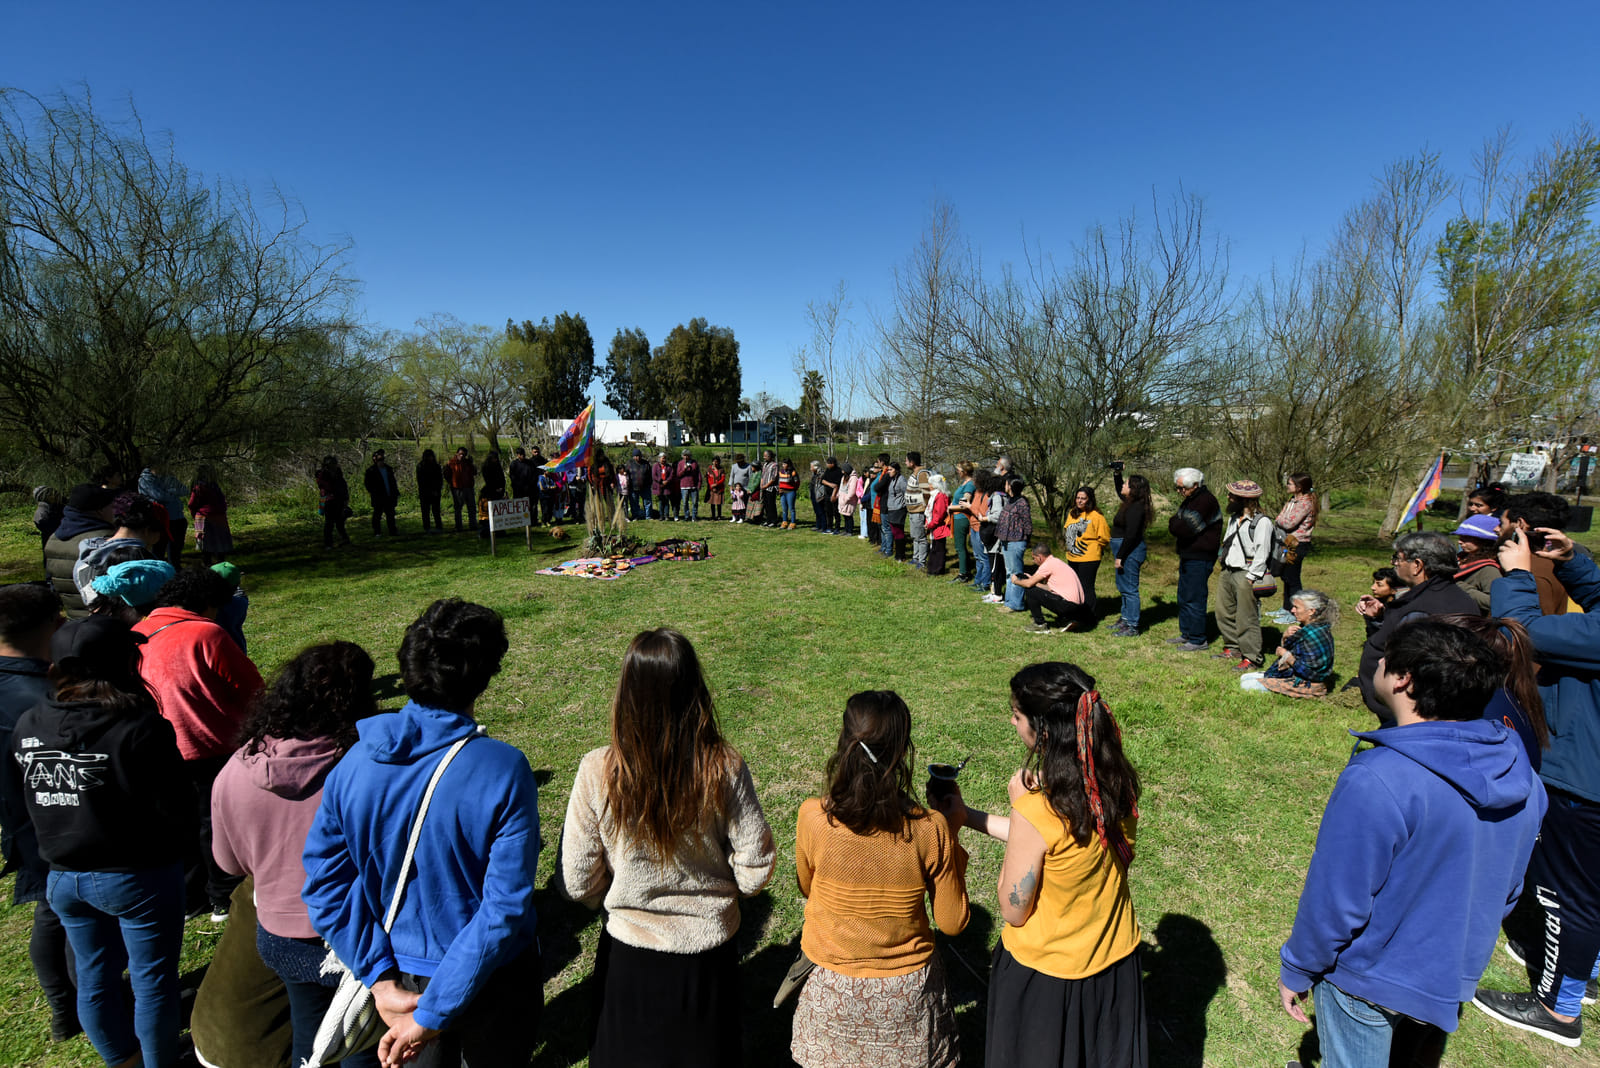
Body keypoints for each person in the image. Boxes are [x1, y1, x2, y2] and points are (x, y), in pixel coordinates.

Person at [1280, 619, 1546, 1064]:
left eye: (1384, 658)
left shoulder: (1378, 778)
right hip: (1449, 974)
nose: (1377, 663)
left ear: (1402, 679)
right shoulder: (1524, 777)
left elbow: (1336, 899)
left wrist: (1299, 966)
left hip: (1366, 980)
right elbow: (1509, 887)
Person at [303, 599, 543, 1067]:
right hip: (491, 978)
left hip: (400, 977)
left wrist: (380, 981)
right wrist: (433, 1012)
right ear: (486, 675)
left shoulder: (352, 762)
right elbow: (503, 908)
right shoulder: (504, 769)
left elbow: (325, 885)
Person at [560, 629, 775, 1067]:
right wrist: (719, 890)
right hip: (708, 957)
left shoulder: (597, 769)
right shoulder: (723, 765)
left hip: (628, 959)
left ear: (626, 692)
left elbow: (578, 880)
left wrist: (616, 895)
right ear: (695, 690)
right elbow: (756, 868)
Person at [946, 662, 1146, 1068]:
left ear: (1043, 730)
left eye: (1017, 715)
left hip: (1047, 979)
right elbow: (1060, 849)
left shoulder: (1038, 811)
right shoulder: (1112, 783)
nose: (1012, 721)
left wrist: (1022, 807)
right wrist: (968, 817)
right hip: (1115, 964)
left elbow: (1013, 909)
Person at [16, 616, 193, 1068]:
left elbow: (22, 798)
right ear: (126, 664)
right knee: (153, 982)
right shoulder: (139, 726)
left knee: (95, 978)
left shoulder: (29, 723)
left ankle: (122, 1061)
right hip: (136, 876)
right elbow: (176, 805)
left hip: (64, 877)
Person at [210, 642, 380, 1068]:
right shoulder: (365, 768)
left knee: (311, 1033)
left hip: (279, 934)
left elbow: (230, 864)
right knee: (361, 1036)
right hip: (354, 931)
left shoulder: (235, 770)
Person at [1471, 527, 1600, 1047]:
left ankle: (1558, 1010)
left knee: (1569, 896)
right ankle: (1583, 972)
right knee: (1592, 890)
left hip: (1586, 786)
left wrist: (1519, 575)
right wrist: (1574, 564)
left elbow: (1524, 632)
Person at [790, 690, 967, 1067]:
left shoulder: (812, 817)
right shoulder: (930, 828)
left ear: (844, 744)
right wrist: (950, 834)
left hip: (831, 992)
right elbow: (952, 922)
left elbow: (808, 887)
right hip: (907, 1001)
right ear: (901, 753)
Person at [134, 567, 264, 921]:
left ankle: (189, 897)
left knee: (178, 822)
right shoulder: (207, 633)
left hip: (154, 746)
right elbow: (251, 689)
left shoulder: (135, 634)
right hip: (210, 745)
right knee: (216, 822)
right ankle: (222, 895)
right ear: (207, 603)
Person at [0, 583, 77, 1042]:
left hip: (21, 820)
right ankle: (88, 1000)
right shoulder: (42, 697)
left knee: (50, 914)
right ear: (55, 624)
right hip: (56, 818)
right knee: (73, 919)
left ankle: (62, 1009)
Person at [1357, 532, 1478, 726]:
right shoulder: (1458, 596)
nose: (1394, 564)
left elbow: (1410, 658)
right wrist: (1379, 619)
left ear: (1417, 565)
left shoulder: (1423, 609)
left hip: (1414, 711)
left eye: (1398, 559)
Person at [1213, 480, 1274, 672]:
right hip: (1228, 571)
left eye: (1232, 495)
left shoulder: (1262, 522)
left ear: (1244, 499)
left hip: (1246, 573)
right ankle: (1233, 648)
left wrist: (1251, 577)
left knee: (1246, 617)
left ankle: (1252, 657)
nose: (1228, 497)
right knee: (1223, 612)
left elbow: (1262, 552)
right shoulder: (1234, 518)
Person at [1240, 589, 1338, 698]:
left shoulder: (1314, 635)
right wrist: (1285, 637)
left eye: (1296, 607)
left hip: (1309, 683)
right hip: (1296, 675)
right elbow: (1293, 652)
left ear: (1311, 611)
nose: (1292, 610)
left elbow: (1310, 673)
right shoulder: (1309, 628)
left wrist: (1286, 655)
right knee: (1244, 677)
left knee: (1247, 685)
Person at [1166, 468, 1221, 652]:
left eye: (1183, 488)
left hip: (1200, 556)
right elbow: (1174, 522)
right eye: (1178, 487)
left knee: (1195, 598)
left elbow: (1184, 528)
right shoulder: (1191, 500)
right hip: (1188, 554)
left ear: (1195, 485)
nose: (1180, 491)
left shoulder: (1206, 501)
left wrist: (1177, 522)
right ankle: (1187, 633)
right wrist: (1177, 522)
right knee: (1183, 596)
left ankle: (1198, 639)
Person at [45, 484, 117, 619]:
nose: (114, 511)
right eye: (111, 506)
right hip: (104, 619)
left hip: (74, 619)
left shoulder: (54, 539)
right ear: (100, 510)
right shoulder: (105, 540)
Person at [1499, 492, 1575, 615]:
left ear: (1520, 524)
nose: (1496, 529)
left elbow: (1537, 623)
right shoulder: (1554, 564)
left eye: (1502, 523)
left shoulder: (1533, 575)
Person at [1265, 473, 1318, 626]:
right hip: (1287, 543)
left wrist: (1279, 520)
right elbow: (1281, 518)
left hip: (1297, 544)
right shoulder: (1293, 500)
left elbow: (1288, 523)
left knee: (1293, 579)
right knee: (1286, 577)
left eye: (1290, 483)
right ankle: (1286, 608)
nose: (1287, 486)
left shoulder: (1305, 503)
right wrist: (1280, 520)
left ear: (1299, 487)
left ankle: (1296, 613)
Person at [1108, 470, 1151, 637]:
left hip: (1130, 551)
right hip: (1124, 548)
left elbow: (1131, 535)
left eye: (1126, 484)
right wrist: (1117, 474)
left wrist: (1121, 556)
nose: (1123, 486)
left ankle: (1132, 625)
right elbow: (1119, 489)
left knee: (1130, 588)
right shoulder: (1130, 503)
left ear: (1133, 489)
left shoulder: (1136, 508)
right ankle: (1125, 619)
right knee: (1123, 586)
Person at [1012, 544, 1093, 634]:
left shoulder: (1047, 565)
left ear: (1039, 557)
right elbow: (1049, 589)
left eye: (1033, 558)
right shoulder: (1057, 562)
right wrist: (1034, 581)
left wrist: (1015, 581)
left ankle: (1039, 624)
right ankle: (1069, 619)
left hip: (1067, 605)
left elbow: (1028, 584)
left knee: (1030, 590)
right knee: (1036, 590)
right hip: (1078, 607)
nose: (1033, 561)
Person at [1062, 486, 1110, 609]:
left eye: (1083, 498)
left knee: (1086, 587)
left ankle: (1090, 614)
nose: (1079, 501)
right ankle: (1076, 611)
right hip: (1072, 556)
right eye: (1078, 498)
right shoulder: (1072, 513)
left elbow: (1104, 537)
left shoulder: (1097, 516)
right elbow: (1067, 530)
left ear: (1089, 500)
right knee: (1074, 586)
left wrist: (1094, 548)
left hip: (1089, 558)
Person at [138, 459, 187, 568]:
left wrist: (170, 491)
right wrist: (173, 493)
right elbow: (159, 496)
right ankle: (157, 571)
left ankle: (175, 570)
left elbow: (184, 490)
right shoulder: (145, 479)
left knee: (176, 550)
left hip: (177, 517)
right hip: (159, 518)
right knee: (158, 549)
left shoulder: (169, 477)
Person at [1452, 513, 1503, 611]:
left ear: (1484, 541)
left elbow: (1493, 602)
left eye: (1467, 538)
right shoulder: (1461, 557)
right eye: (1460, 537)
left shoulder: (1489, 570)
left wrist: (1460, 586)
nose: (1460, 541)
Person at [997, 477, 1034, 609]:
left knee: (1016, 572)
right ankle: (1009, 601)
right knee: (1009, 572)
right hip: (1006, 541)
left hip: (1016, 541)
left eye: (1007, 483)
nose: (1005, 485)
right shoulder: (1010, 500)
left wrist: (1027, 540)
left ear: (1011, 486)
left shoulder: (1022, 502)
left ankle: (1016, 604)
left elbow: (1027, 523)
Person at [189, 467, 232, 565]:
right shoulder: (212, 487)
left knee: (206, 545)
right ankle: (220, 565)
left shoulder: (199, 488)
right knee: (218, 544)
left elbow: (191, 504)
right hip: (213, 517)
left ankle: (210, 565)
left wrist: (195, 515)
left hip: (206, 517)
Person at [947, 462, 977, 583]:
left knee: (960, 546)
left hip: (961, 518)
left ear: (964, 472)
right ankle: (965, 569)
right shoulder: (965, 483)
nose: (957, 472)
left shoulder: (969, 485)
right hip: (957, 517)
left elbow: (964, 504)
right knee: (960, 546)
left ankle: (963, 573)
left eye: (958, 470)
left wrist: (950, 508)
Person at [317, 456, 353, 548]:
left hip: (340, 501)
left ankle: (345, 539)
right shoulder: (323, 475)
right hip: (329, 501)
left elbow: (343, 487)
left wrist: (345, 499)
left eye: (334, 463)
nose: (333, 466)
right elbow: (324, 487)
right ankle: (328, 544)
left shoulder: (338, 474)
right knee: (329, 523)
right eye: (331, 464)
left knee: (340, 522)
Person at [364, 449, 401, 536]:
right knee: (377, 515)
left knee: (390, 515)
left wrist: (395, 493)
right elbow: (368, 484)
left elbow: (393, 482)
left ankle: (392, 531)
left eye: (382, 458)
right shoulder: (371, 471)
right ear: (375, 459)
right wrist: (374, 492)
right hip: (378, 497)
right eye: (379, 459)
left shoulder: (388, 469)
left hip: (389, 496)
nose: (381, 461)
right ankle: (377, 532)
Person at [904, 452, 932, 568]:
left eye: (906, 460)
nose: (905, 463)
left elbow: (926, 493)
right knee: (915, 536)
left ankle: (922, 560)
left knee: (920, 537)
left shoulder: (922, 474)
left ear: (912, 462)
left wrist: (926, 509)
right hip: (912, 511)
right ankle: (915, 558)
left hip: (919, 511)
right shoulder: (914, 474)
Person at [925, 473, 952, 575]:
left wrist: (930, 524)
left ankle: (937, 569)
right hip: (935, 526)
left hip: (939, 527)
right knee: (934, 548)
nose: (929, 486)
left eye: (930, 484)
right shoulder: (935, 495)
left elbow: (939, 514)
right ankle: (932, 568)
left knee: (938, 549)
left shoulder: (940, 496)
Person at [444, 447, 476, 532]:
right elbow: (446, 474)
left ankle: (473, 525)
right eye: (460, 454)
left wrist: (471, 463)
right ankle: (459, 526)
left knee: (472, 507)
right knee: (458, 508)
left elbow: (474, 472)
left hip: (469, 487)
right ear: (457, 453)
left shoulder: (468, 463)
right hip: (457, 488)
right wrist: (452, 483)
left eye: (464, 454)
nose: (462, 456)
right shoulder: (451, 463)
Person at [415, 449, 444, 533]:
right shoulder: (420, 466)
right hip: (425, 492)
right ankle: (427, 527)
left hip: (435, 491)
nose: (430, 458)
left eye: (431, 456)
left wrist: (437, 490)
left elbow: (440, 479)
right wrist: (429, 490)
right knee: (425, 511)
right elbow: (421, 481)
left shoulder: (436, 466)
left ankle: (439, 526)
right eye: (428, 456)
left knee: (436, 510)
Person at [625, 449, 652, 520]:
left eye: (639, 456)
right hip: (633, 487)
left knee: (647, 502)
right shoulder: (629, 463)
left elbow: (650, 474)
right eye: (636, 456)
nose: (638, 457)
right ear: (633, 457)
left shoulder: (646, 463)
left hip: (645, 487)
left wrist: (649, 484)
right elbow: (625, 474)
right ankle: (635, 516)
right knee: (634, 503)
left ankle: (648, 516)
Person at [676, 450, 700, 522]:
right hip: (684, 486)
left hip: (693, 485)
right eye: (684, 455)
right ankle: (686, 516)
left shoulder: (694, 463)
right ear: (682, 456)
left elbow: (698, 474)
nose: (686, 457)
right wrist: (684, 469)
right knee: (685, 502)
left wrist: (699, 483)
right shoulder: (680, 463)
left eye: (687, 455)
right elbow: (678, 474)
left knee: (695, 502)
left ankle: (694, 516)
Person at [652, 452, 676, 521]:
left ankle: (666, 515)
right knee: (661, 501)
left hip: (667, 486)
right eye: (662, 458)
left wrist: (667, 481)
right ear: (659, 458)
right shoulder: (655, 466)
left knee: (666, 501)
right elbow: (654, 475)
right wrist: (661, 481)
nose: (664, 460)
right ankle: (661, 515)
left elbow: (671, 475)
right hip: (659, 486)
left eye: (665, 458)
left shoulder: (668, 467)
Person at [760, 449, 780, 528]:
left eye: (765, 456)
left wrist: (766, 485)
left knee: (771, 504)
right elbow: (762, 475)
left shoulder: (775, 465)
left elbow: (773, 478)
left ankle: (774, 521)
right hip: (764, 488)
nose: (764, 457)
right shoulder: (765, 464)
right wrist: (762, 484)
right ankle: (768, 520)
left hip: (771, 488)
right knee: (766, 504)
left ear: (770, 456)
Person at [778, 458, 800, 529]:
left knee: (791, 508)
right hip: (782, 492)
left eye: (785, 464)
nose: (783, 465)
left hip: (790, 492)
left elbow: (797, 482)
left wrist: (794, 489)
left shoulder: (793, 472)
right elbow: (779, 482)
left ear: (788, 465)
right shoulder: (781, 472)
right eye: (782, 464)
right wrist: (779, 489)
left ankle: (793, 523)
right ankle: (784, 522)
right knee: (784, 508)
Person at [706, 456, 727, 521]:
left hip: (719, 488)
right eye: (714, 461)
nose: (715, 463)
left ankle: (719, 516)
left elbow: (723, 479)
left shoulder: (721, 470)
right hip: (712, 488)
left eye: (717, 461)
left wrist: (716, 484)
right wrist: (711, 485)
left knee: (719, 503)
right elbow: (708, 478)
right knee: (712, 502)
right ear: (712, 462)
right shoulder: (709, 469)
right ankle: (713, 516)